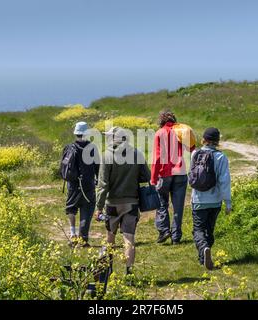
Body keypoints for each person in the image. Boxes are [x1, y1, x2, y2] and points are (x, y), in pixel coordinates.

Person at [95, 127, 151, 275]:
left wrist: (98, 208)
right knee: (129, 238)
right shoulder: (136, 154)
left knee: (110, 237)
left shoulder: (106, 156)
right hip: (131, 202)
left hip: (112, 203)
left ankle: (109, 269)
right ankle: (129, 271)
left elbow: (103, 184)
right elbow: (147, 176)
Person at [190, 128, 232, 270]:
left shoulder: (195, 154)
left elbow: (192, 176)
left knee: (198, 230)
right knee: (209, 229)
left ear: (204, 139)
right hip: (215, 201)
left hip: (198, 199)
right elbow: (224, 182)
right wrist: (228, 202)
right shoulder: (221, 157)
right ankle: (205, 254)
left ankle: (204, 249)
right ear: (217, 141)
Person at [151, 110, 195, 244]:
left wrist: (153, 177)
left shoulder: (159, 133)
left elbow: (157, 158)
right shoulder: (180, 131)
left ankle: (164, 230)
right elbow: (192, 148)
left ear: (161, 121)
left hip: (165, 173)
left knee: (161, 203)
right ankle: (176, 237)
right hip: (181, 172)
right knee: (178, 206)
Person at [62, 121, 100, 247]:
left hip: (72, 184)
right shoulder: (92, 148)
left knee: (71, 208)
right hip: (88, 184)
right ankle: (83, 238)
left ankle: (72, 234)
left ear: (76, 133)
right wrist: (98, 180)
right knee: (87, 209)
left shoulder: (69, 147)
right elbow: (98, 167)